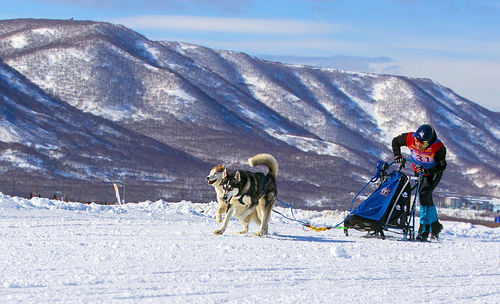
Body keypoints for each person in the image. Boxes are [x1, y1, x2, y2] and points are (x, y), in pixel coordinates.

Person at [392, 124, 447, 241]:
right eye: (417, 142)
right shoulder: (410, 138)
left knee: (423, 195)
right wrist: (397, 154)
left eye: (423, 143)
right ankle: (436, 226)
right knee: (426, 198)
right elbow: (395, 141)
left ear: (430, 142)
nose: (418, 145)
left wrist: (426, 170)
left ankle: (424, 231)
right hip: (419, 172)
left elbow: (442, 166)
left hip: (433, 173)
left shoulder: (438, 148)